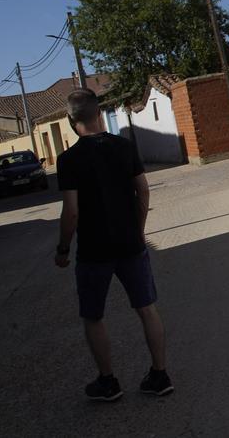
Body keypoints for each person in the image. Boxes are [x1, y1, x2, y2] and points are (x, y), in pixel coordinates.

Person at [54, 88, 173, 401]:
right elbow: (143, 192)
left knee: (93, 316)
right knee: (146, 308)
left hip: (94, 251)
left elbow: (72, 210)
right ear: (98, 113)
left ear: (70, 119)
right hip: (130, 244)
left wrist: (63, 248)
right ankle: (160, 376)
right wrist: (138, 230)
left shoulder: (68, 160)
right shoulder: (124, 147)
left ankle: (108, 383)